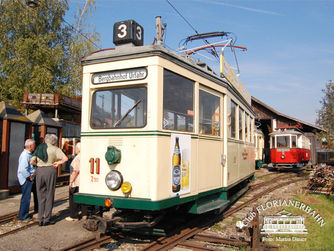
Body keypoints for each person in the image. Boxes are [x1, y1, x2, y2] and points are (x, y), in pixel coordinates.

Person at [30, 134, 68, 226]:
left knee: (40, 194)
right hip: (50, 170)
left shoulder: (39, 147)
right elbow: (65, 158)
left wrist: (38, 165)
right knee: (49, 194)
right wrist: (58, 162)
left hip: (39, 171)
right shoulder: (55, 149)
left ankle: (40, 219)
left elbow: (31, 161)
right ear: (54, 141)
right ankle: (47, 219)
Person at [66, 142, 88, 221]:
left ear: (78, 149)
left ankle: (73, 216)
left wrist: (71, 181)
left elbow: (75, 171)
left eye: (76, 148)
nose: (75, 149)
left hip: (77, 181)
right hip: (84, 181)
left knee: (73, 199)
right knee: (83, 199)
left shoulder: (78, 157)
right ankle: (84, 214)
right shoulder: (86, 156)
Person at [17, 139, 36, 221]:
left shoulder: (28, 154)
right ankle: (23, 216)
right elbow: (23, 169)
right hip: (26, 179)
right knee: (26, 198)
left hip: (28, 178)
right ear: (30, 146)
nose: (35, 146)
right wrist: (29, 177)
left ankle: (24, 214)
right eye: (34, 145)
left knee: (27, 197)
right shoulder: (25, 155)